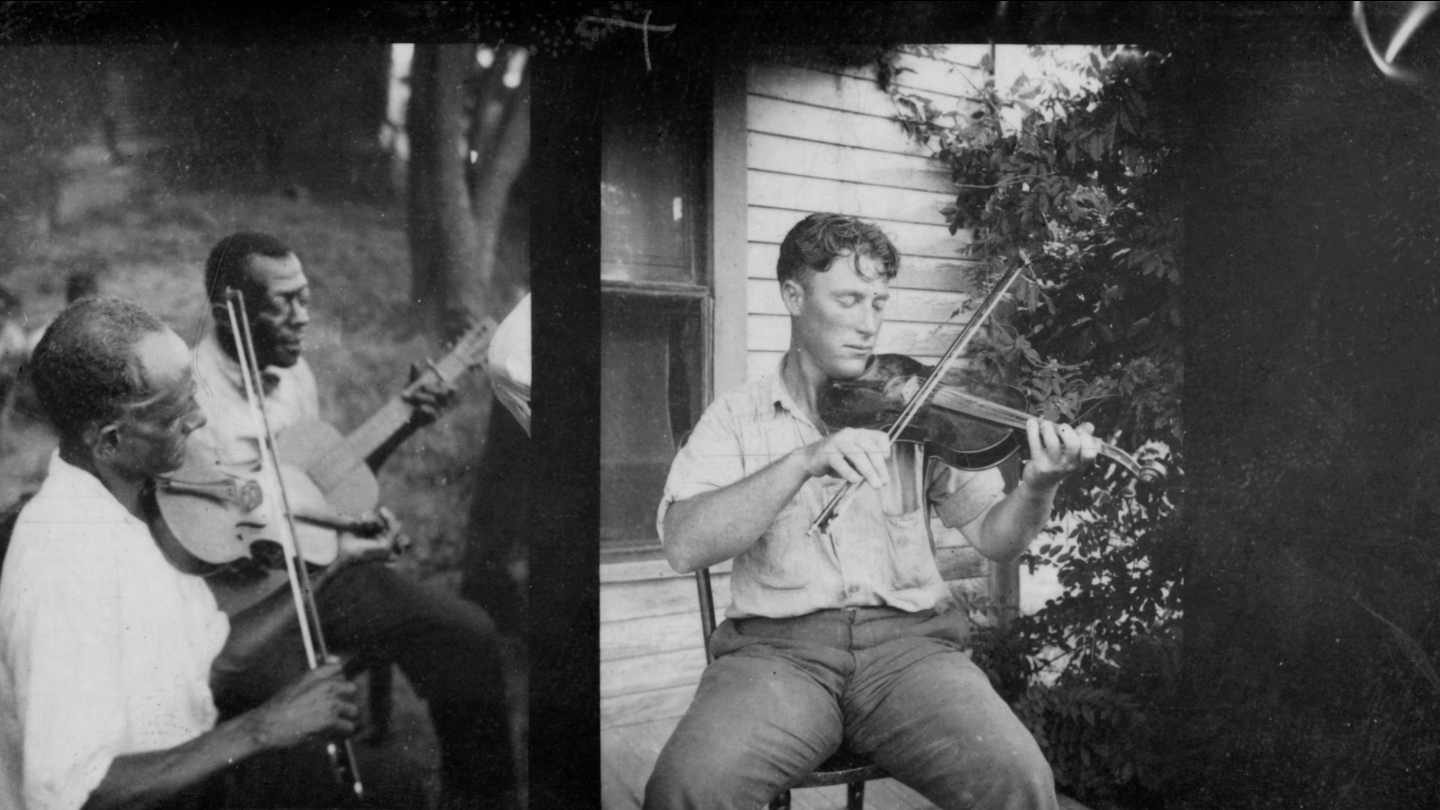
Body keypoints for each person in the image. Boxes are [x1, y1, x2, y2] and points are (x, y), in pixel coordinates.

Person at [644, 213, 1100, 810]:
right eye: (850, 300)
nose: (868, 324)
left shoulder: (912, 403)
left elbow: (995, 537)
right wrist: (803, 461)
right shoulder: (737, 417)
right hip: (778, 659)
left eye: (879, 303)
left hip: (912, 654)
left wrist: (1038, 485)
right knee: (684, 790)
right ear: (793, 296)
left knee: (1021, 781)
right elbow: (683, 544)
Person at [187, 232, 514, 809]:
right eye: (283, 303)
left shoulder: (295, 376)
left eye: (305, 298)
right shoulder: (193, 401)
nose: (303, 317)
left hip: (321, 574)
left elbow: (325, 483)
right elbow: (213, 542)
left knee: (467, 636)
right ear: (227, 313)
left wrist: (404, 423)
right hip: (248, 605)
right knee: (313, 744)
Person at [0, 296, 359, 810]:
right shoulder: (60, 565)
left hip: (189, 776)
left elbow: (214, 655)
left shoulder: (140, 505)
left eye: (194, 393)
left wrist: (328, 568)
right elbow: (74, 793)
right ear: (109, 439)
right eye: (175, 412)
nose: (198, 419)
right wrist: (262, 728)